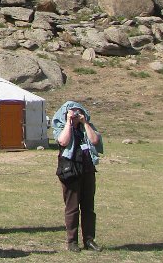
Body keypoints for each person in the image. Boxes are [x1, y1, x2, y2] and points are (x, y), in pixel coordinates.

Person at [52, 101, 103, 253]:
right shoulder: (61, 126)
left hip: (87, 170)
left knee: (88, 207)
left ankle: (89, 240)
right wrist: (68, 122)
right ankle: (72, 241)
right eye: (72, 112)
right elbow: (63, 141)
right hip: (70, 171)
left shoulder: (87, 126)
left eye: (77, 112)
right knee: (72, 208)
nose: (75, 115)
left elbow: (95, 141)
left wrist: (85, 123)